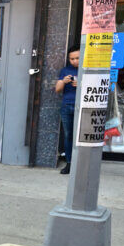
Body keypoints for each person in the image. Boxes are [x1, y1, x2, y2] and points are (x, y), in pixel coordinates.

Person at [55, 45, 80, 175]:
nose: (75, 61)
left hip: (81, 107)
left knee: (80, 136)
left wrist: (81, 84)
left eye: (77, 58)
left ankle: (80, 164)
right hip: (67, 106)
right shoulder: (65, 70)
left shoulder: (87, 70)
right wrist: (63, 82)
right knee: (68, 135)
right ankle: (69, 163)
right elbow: (57, 89)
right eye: (72, 59)